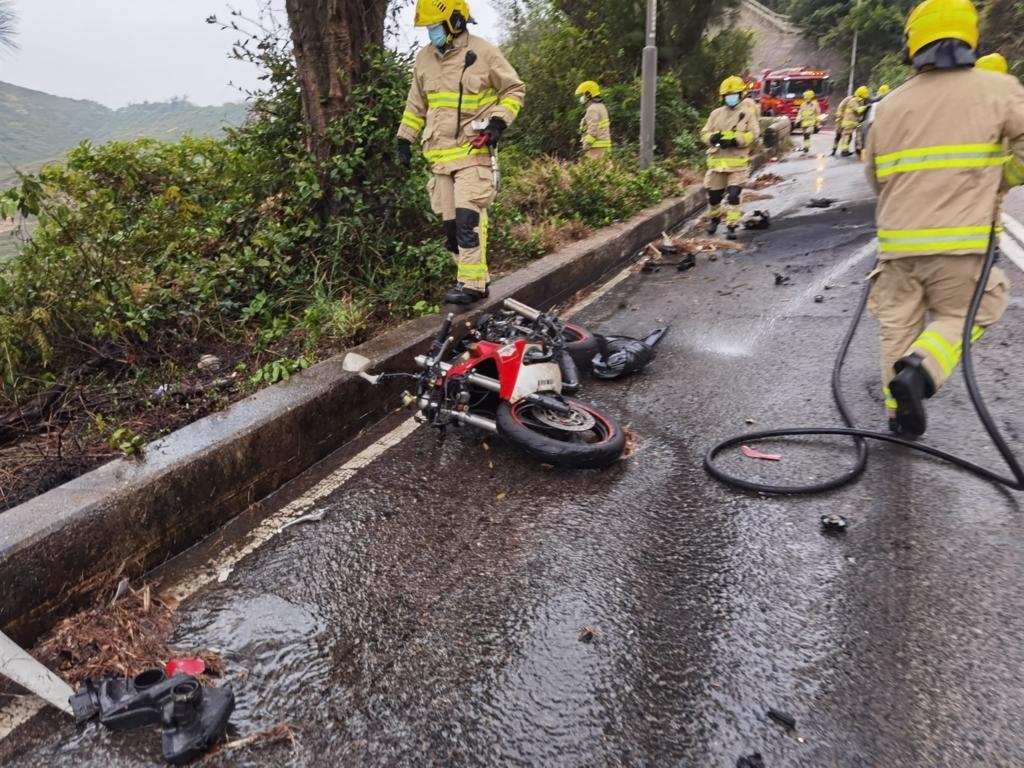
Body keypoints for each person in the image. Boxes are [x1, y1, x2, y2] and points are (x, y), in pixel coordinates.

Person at [863, 0, 1024, 438]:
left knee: (898, 324)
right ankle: (921, 371)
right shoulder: (999, 89)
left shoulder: (890, 105)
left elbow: (874, 175)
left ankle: (899, 417)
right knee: (979, 306)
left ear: (913, 44)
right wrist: (998, 179)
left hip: (897, 244)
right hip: (960, 244)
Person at [397, 0, 525, 306]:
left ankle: (473, 285)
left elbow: (514, 90)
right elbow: (417, 104)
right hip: (440, 158)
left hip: (472, 151)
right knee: (452, 228)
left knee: (468, 219)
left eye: (435, 26)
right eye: (429, 28)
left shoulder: (483, 52)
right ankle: (470, 277)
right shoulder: (424, 59)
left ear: (455, 21)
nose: (432, 33)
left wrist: (496, 124)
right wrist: (405, 138)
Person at [701, 76, 761, 240]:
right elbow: (704, 134)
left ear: (741, 94)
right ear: (722, 97)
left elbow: (754, 134)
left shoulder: (748, 114)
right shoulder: (715, 114)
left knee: (734, 196)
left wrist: (737, 140)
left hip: (737, 165)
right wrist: (713, 138)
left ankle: (731, 226)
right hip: (717, 165)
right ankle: (714, 219)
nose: (731, 97)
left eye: (734, 94)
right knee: (714, 198)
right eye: (728, 95)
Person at [575, 81, 612, 159]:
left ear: (588, 94)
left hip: (596, 149)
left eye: (582, 95)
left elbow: (593, 131)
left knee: (594, 170)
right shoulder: (602, 107)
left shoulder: (592, 109)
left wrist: (586, 146)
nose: (581, 98)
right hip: (605, 147)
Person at [838, 85, 870, 156]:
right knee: (847, 136)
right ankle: (844, 151)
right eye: (863, 96)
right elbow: (858, 110)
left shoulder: (859, 101)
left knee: (850, 137)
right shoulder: (853, 101)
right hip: (848, 123)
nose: (864, 98)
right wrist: (866, 107)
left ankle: (848, 150)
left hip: (853, 123)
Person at [831, 92, 852, 156]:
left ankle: (841, 150)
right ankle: (836, 150)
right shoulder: (850, 99)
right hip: (841, 120)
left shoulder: (852, 99)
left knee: (842, 136)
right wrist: (840, 116)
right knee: (839, 136)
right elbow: (841, 106)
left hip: (844, 119)